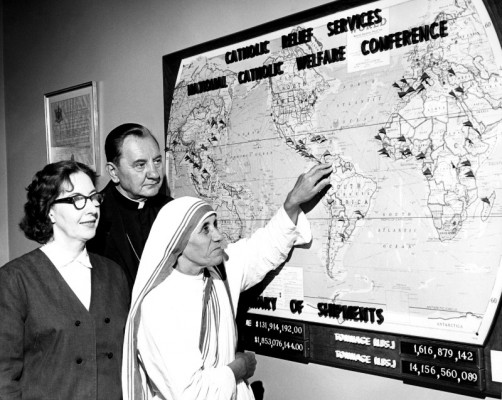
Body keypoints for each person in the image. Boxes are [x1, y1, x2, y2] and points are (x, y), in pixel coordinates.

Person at [122, 162, 333, 400]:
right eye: (205, 229)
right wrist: (236, 370)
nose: (218, 235)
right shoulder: (158, 305)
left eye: (215, 224)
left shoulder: (218, 273)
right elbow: (189, 394)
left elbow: (263, 248)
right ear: (178, 242)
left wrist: (292, 203)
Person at [0, 161, 130, 400]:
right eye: (77, 199)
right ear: (49, 210)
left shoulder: (114, 274)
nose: (92, 208)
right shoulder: (15, 279)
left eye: (94, 197)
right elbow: (3, 376)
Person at [87, 123, 172, 289]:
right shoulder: (95, 217)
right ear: (113, 172)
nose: (154, 174)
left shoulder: (171, 209)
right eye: (140, 165)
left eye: (157, 161)